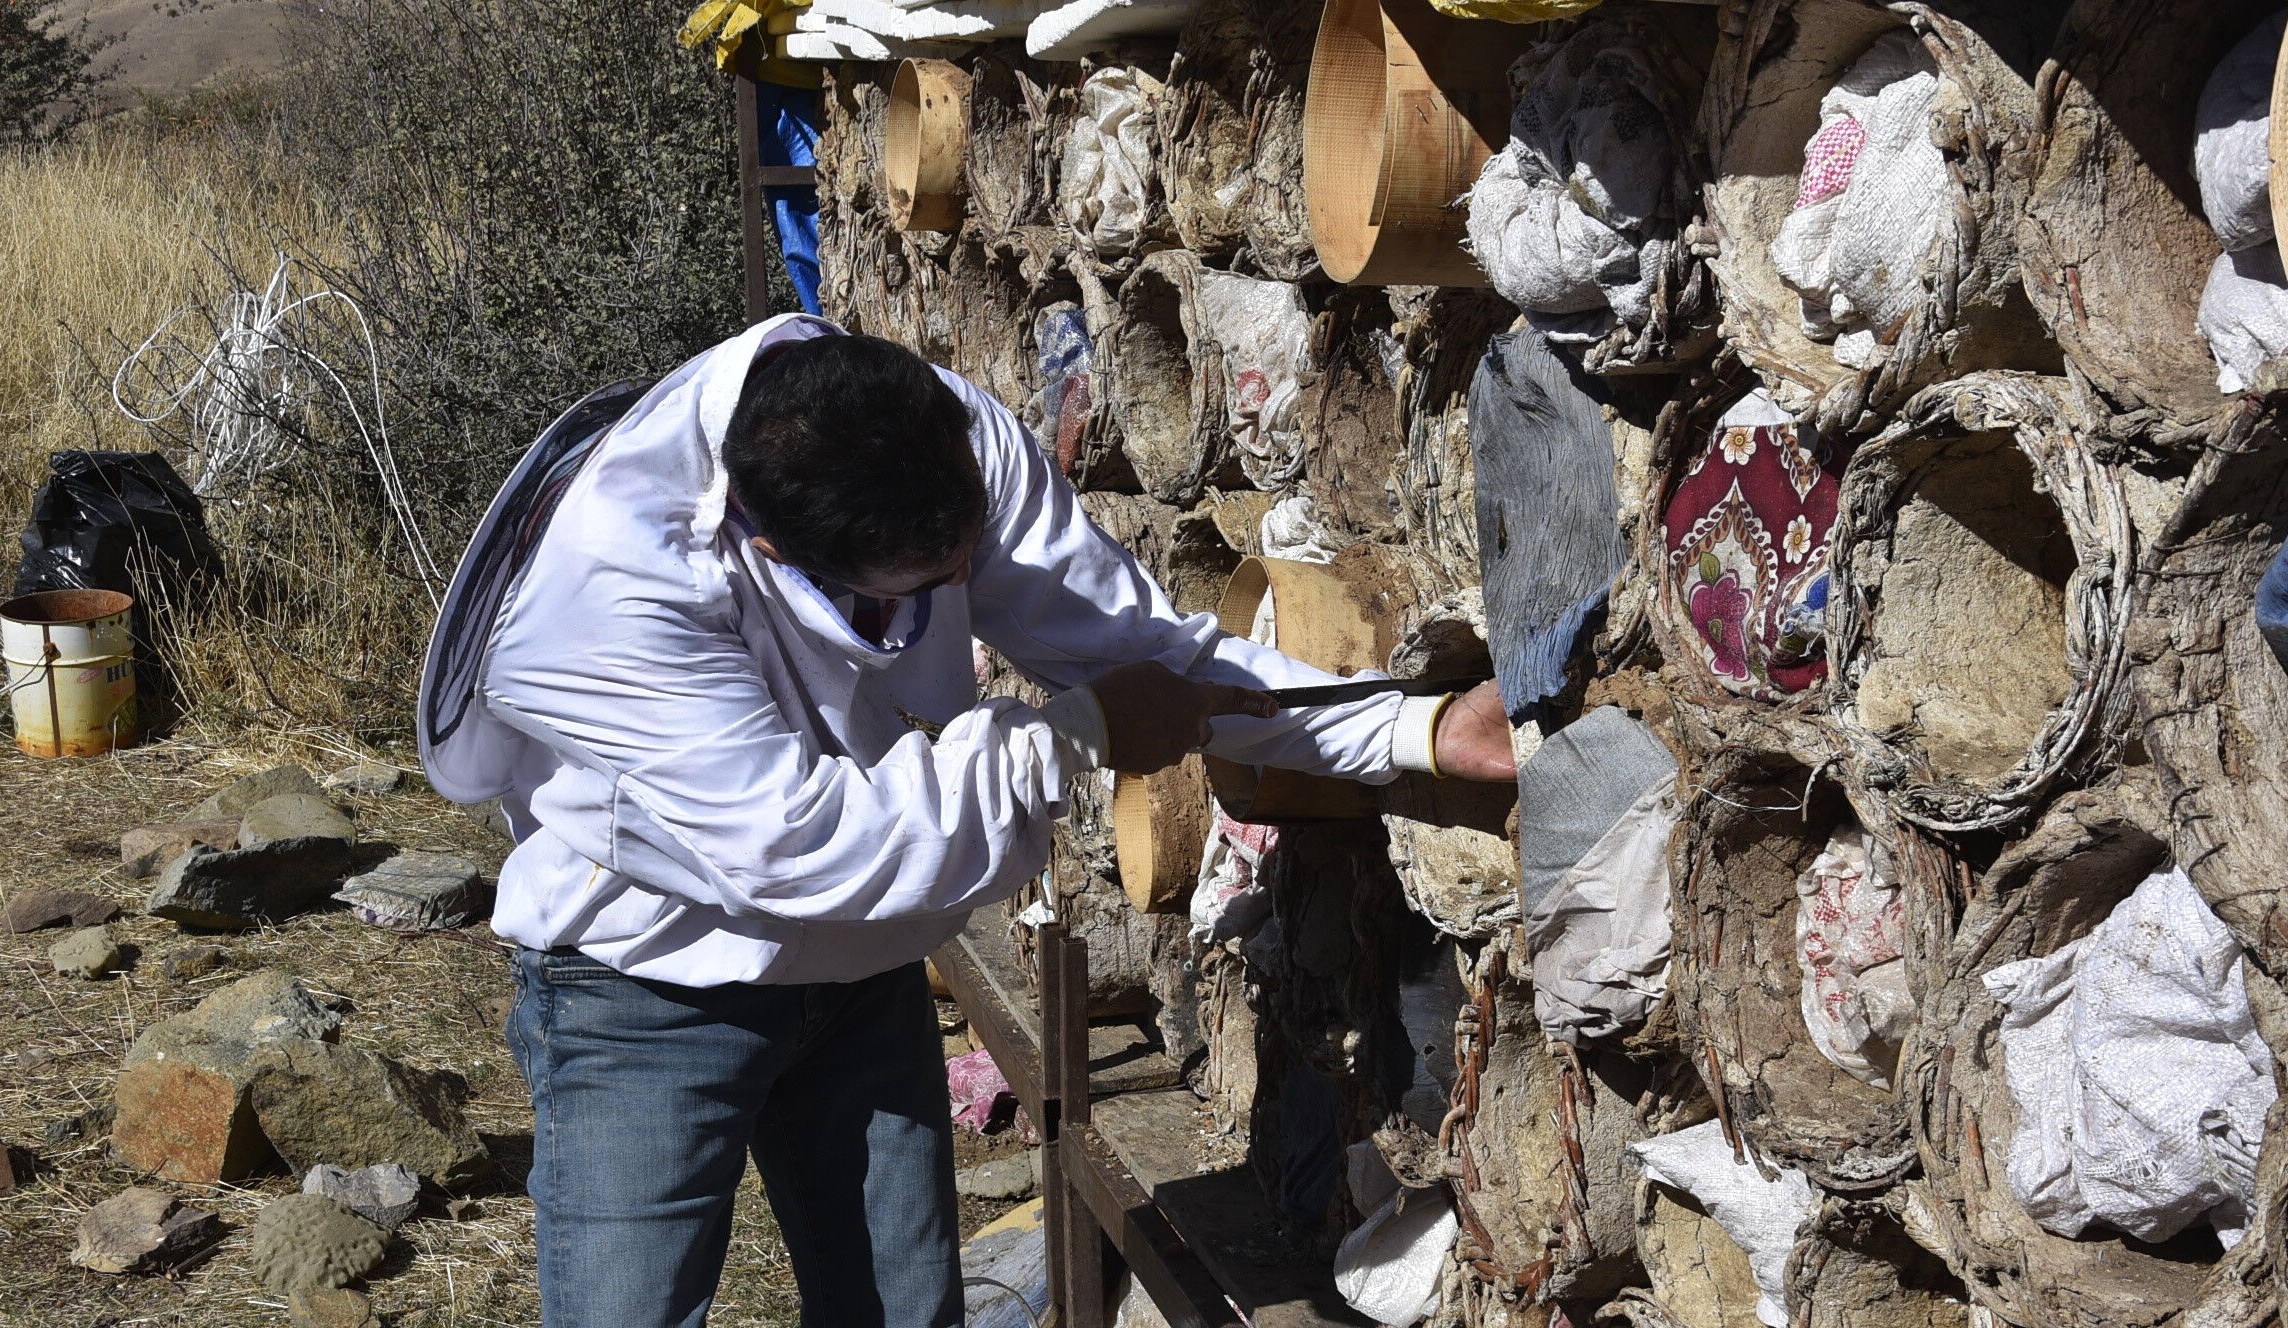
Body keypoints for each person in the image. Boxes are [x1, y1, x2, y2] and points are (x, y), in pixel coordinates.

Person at [415, 313, 1522, 1328]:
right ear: (772, 552)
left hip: (860, 976)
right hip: (647, 981)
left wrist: (1409, 732)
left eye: (966, 563)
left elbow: (1139, 651)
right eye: (930, 582)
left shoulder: (935, 433)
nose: (962, 589)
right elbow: (807, 849)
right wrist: (1073, 737)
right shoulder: (604, 593)